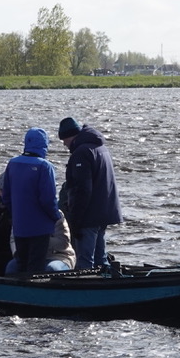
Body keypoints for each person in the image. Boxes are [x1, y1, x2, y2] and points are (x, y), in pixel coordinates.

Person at [57, 116, 122, 270]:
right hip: (104, 212)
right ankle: (107, 283)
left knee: (84, 261)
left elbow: (82, 189)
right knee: (101, 259)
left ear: (70, 136)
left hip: (89, 216)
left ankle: (83, 289)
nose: (64, 144)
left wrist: (76, 221)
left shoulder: (81, 152)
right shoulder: (100, 148)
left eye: (64, 140)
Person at [1, 127, 62, 274]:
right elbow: (48, 199)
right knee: (36, 265)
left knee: (21, 262)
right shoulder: (44, 166)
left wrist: (15, 215)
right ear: (44, 144)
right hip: (40, 226)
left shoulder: (13, 163)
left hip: (20, 225)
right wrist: (56, 217)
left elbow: (6, 196)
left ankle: (18, 293)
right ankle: (34, 294)